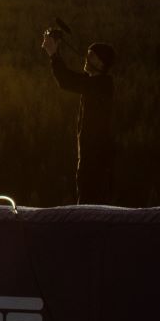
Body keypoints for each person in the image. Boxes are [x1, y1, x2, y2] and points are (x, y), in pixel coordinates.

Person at [41, 30, 117, 204]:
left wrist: (53, 54)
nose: (86, 58)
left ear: (100, 62)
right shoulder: (98, 83)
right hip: (95, 157)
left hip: (95, 159)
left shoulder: (100, 86)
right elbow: (70, 78)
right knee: (90, 199)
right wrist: (56, 53)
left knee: (89, 201)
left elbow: (67, 80)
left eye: (91, 56)